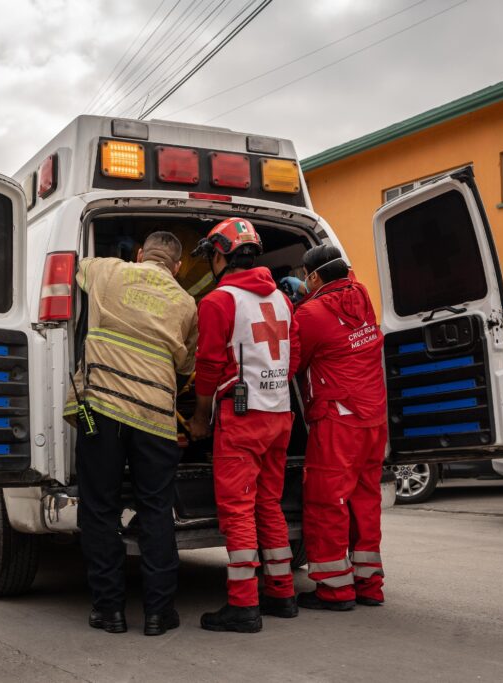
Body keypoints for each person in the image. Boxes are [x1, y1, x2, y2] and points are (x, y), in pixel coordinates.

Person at [65, 231, 198, 637]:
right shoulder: (186, 302)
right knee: (156, 510)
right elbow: (187, 366)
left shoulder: (109, 270)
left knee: (99, 509)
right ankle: (159, 613)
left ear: (141, 254)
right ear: (177, 267)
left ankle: (110, 611)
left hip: (99, 413)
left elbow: (73, 268)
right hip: (155, 418)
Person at [188, 217, 301, 634]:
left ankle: (244, 606)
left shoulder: (219, 301)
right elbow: (296, 356)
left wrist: (201, 416)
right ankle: (282, 593)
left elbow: (209, 364)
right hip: (278, 414)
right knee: (267, 504)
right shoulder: (282, 300)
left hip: (241, 419)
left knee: (237, 510)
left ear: (221, 255)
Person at [292, 245, 387, 611]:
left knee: (326, 501)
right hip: (373, 418)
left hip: (338, 418)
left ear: (314, 277)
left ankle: (334, 590)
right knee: (365, 500)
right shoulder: (362, 296)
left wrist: (294, 305)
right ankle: (369, 585)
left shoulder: (311, 313)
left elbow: (294, 362)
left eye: (305, 277)